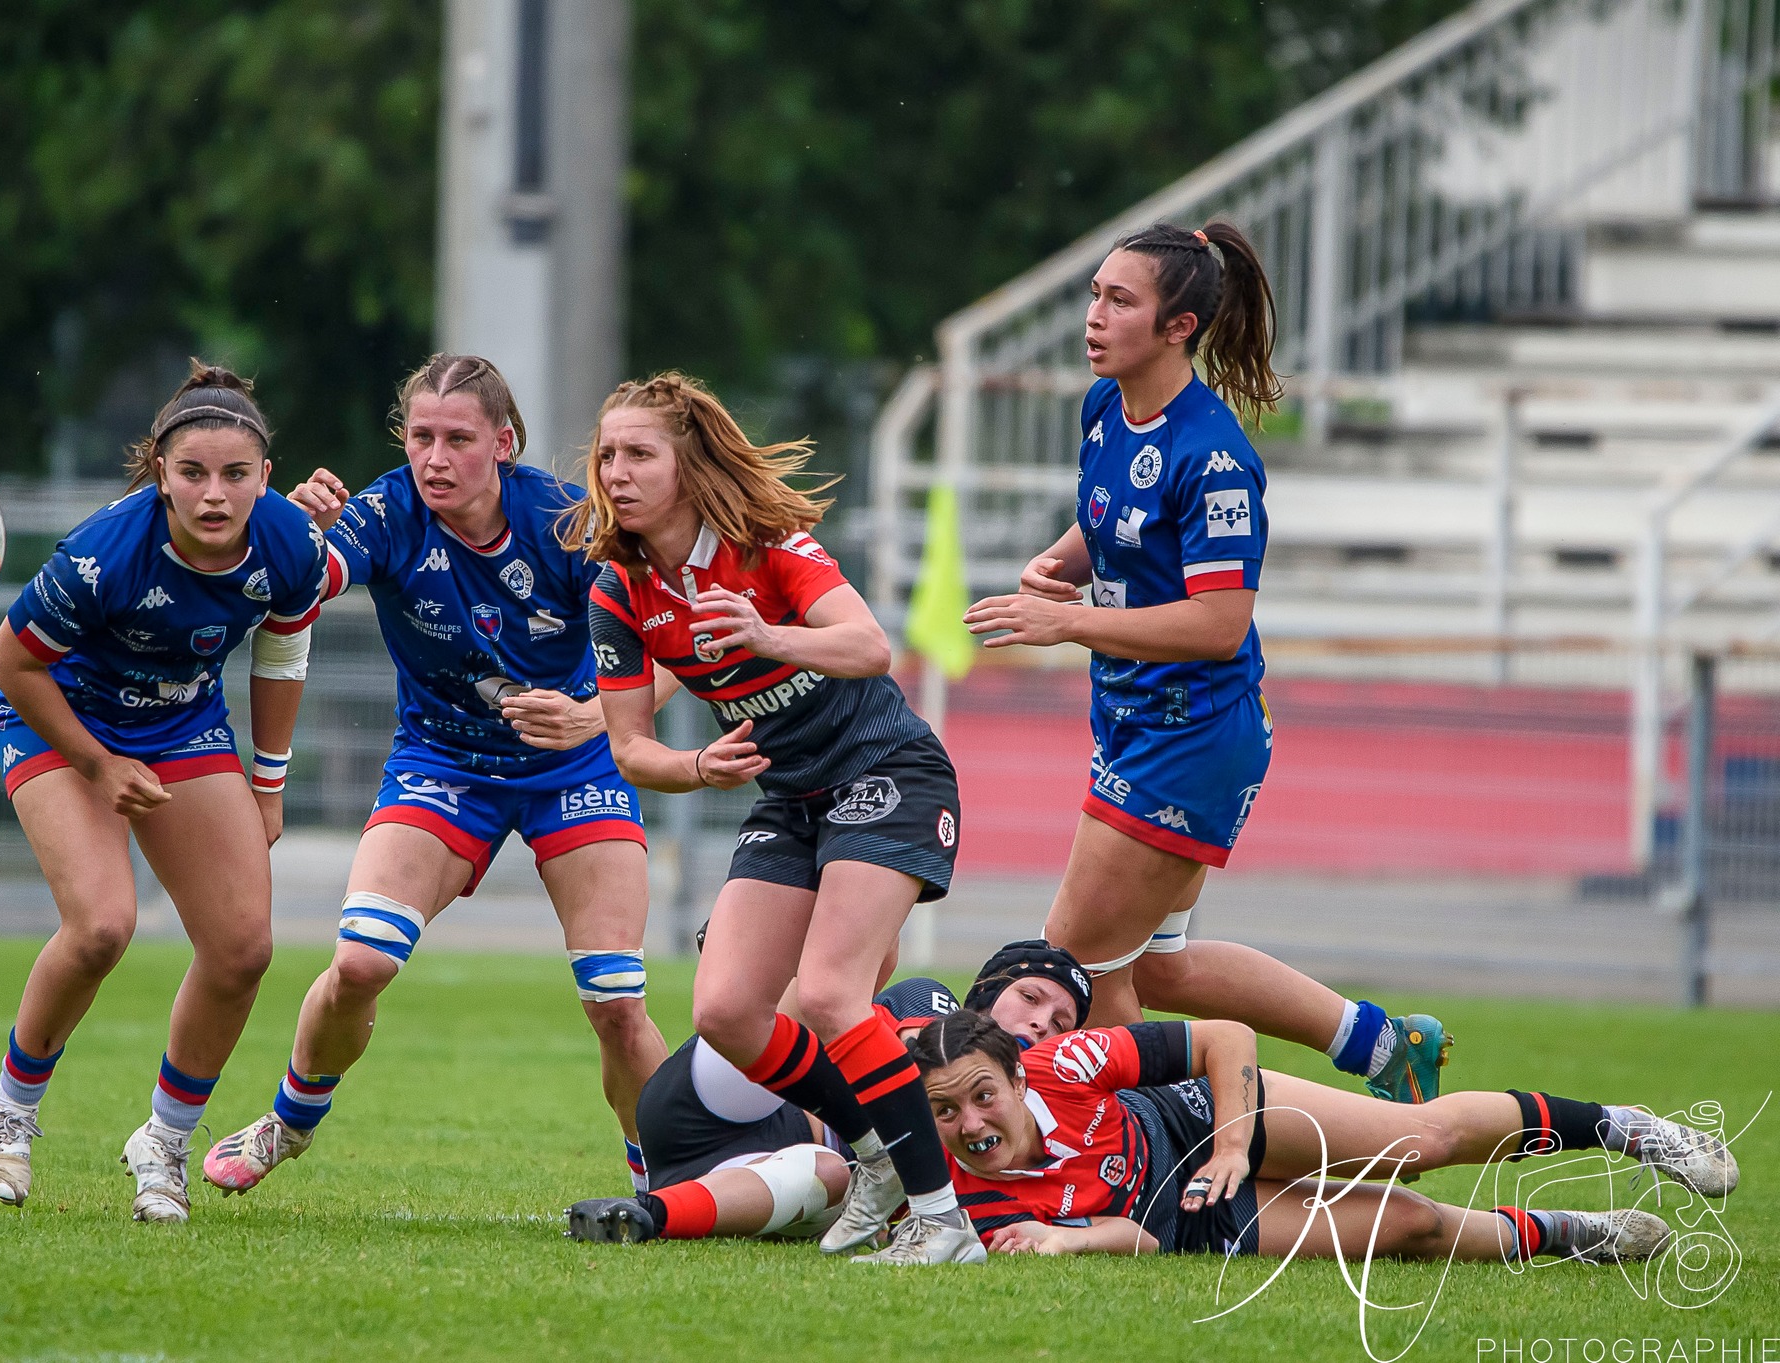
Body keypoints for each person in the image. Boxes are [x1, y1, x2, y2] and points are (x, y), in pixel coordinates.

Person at [962, 220, 1450, 1104]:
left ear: (1178, 326)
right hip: (1135, 720)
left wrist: (1067, 626)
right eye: (1095, 294)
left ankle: (1156, 1153)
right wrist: (1062, 563)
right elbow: (1113, 517)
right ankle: (1384, 1045)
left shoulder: (1216, 458)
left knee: (1074, 967)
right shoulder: (1106, 406)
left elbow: (1219, 624)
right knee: (1165, 971)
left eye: (1120, 300)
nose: (1094, 317)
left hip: (1188, 740)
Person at [203, 354, 670, 1198]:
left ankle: (666, 1177)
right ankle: (288, 1119)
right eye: (421, 437)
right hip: (443, 762)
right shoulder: (386, 511)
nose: (435, 458)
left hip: (576, 764)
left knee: (615, 1000)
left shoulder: (565, 521)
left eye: (458, 438)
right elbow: (304, 585)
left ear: (505, 443)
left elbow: (663, 646)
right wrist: (291, 524)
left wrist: (594, 714)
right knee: (360, 965)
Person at [575, 371, 983, 1266]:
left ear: (689, 464)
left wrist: (768, 636)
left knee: (836, 992)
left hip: (889, 773)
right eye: (608, 455)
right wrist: (696, 766)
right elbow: (629, 747)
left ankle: (944, 1219)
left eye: (639, 453)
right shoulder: (618, 590)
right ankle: (873, 1153)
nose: (618, 471)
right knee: (725, 1008)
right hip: (791, 797)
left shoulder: (769, 544)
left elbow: (870, 645)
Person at [0, 362, 329, 1222]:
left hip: (179, 725)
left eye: (235, 474)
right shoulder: (104, 552)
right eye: (193, 473)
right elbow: (11, 662)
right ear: (160, 472)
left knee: (242, 948)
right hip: (60, 718)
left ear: (264, 478)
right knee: (101, 926)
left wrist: (267, 785)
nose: (213, 493)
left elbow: (284, 643)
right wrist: (93, 764)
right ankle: (6, 1116)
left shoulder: (288, 542)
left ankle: (162, 1142)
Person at [910, 1009, 1736, 1263]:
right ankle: (1579, 1234)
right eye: (947, 1112)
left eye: (983, 1096)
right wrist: (1066, 1245)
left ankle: (1632, 1131)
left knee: (1422, 1138)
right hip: (1186, 1217)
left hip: (1198, 1119)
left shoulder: (1065, 1060)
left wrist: (1232, 1143)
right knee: (1410, 1220)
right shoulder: (960, 1196)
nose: (971, 1125)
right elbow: (1137, 1237)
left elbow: (1224, 1036)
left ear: (1018, 1078)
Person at [563, 939, 1094, 1245]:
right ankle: (761, 957)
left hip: (762, 1176)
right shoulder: (930, 1002)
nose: (1042, 1023)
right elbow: (917, 1075)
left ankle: (648, 1211)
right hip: (740, 1108)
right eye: (1030, 997)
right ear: (987, 990)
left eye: (1061, 1020)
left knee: (828, 1173)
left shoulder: (1038, 1117)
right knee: (859, 957)